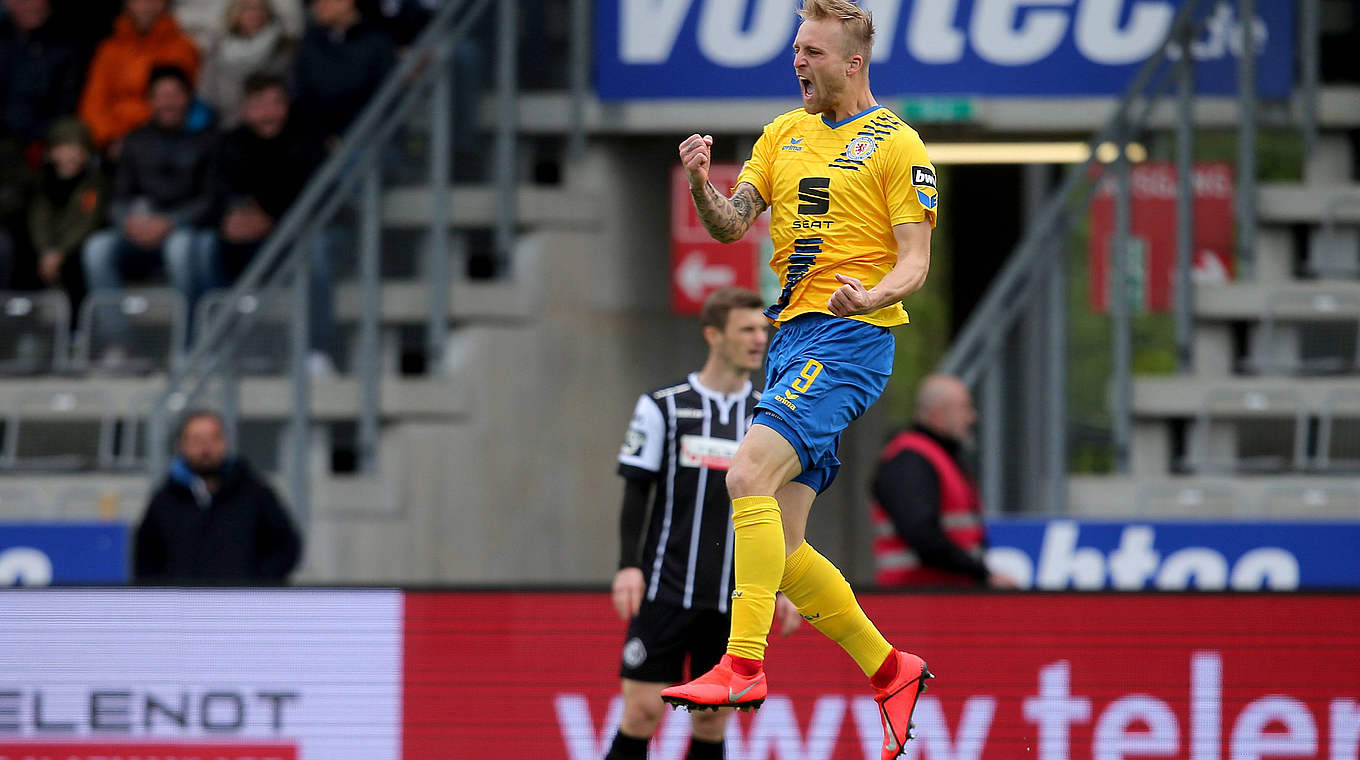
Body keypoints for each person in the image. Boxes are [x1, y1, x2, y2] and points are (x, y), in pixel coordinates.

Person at [659, 2, 939, 758]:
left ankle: (743, 664)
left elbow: (914, 259)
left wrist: (873, 293)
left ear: (853, 63)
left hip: (851, 337)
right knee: (781, 545)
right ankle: (890, 668)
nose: (798, 62)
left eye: (812, 51)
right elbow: (730, 223)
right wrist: (697, 182)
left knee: (744, 471)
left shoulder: (897, 144)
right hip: (793, 341)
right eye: (796, 50)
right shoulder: (782, 134)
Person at [606, 287, 801, 760]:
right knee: (642, 712)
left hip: (735, 599)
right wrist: (628, 566)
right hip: (665, 589)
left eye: (764, 330)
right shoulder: (663, 406)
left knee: (713, 721)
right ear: (714, 335)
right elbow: (637, 490)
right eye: (747, 330)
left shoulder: (771, 416)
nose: (760, 340)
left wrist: (787, 582)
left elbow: (785, 504)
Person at [82, 65, 217, 357]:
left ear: (188, 98)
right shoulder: (135, 141)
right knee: (97, 248)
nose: (168, 102)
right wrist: (129, 222)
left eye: (174, 95)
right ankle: (117, 342)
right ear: (150, 100)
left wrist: (170, 222)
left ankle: (188, 342)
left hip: (183, 231)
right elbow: (117, 197)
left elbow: (209, 199)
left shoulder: (207, 140)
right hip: (138, 229)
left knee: (182, 249)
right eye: (160, 95)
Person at [210, 72, 336, 374]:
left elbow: (319, 196)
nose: (268, 113)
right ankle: (211, 345)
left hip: (302, 232)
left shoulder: (308, 139)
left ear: (287, 106)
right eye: (258, 105)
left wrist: (271, 219)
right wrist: (228, 219)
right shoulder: (229, 143)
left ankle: (316, 351)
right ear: (245, 109)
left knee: (317, 250)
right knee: (202, 248)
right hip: (247, 236)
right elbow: (218, 193)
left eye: (275, 103)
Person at [870, 375, 1018, 588]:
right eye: (964, 408)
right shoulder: (910, 461)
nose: (972, 417)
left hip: (943, 597)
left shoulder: (937, 456)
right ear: (937, 414)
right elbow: (923, 536)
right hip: (918, 601)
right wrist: (981, 573)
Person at [134, 409, 302, 583]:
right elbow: (146, 559)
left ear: (224, 443)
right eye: (196, 440)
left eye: (213, 438)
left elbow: (286, 548)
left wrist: (257, 584)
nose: (205, 448)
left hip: (243, 606)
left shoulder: (256, 494)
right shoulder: (165, 501)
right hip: (184, 606)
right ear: (182, 445)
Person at [78, 0, 199, 154]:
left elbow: (178, 102)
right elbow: (94, 101)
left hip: (161, 139)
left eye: (153, 1)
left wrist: (136, 140)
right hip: (111, 141)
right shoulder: (109, 49)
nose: (145, 6)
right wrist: (108, 138)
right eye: (138, 1)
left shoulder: (182, 49)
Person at [290, 0, 394, 149]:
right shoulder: (312, 39)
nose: (318, 5)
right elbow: (300, 91)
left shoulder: (377, 41)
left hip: (364, 141)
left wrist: (345, 135)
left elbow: (385, 97)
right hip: (316, 142)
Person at [24, 117, 105, 306]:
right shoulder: (41, 183)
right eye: (65, 148)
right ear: (51, 153)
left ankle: (77, 328)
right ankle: (24, 323)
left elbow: (87, 221)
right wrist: (46, 250)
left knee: (79, 261)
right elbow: (38, 220)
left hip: (72, 248)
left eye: (78, 149)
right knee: (24, 256)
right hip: (47, 247)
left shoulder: (94, 184)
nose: (71, 155)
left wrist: (60, 252)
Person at [198, 0, 296, 128]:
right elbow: (207, 90)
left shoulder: (283, 45)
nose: (253, 14)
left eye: (259, 8)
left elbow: (291, 86)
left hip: (274, 125)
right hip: (229, 123)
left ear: (268, 13)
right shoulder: (218, 47)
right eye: (248, 9)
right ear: (235, 13)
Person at [0, 0, 82, 148]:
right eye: (23, 1)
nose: (33, 5)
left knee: (70, 137)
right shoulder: (4, 41)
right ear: (8, 4)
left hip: (47, 134)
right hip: (6, 132)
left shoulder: (65, 41)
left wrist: (39, 133)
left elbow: (67, 100)